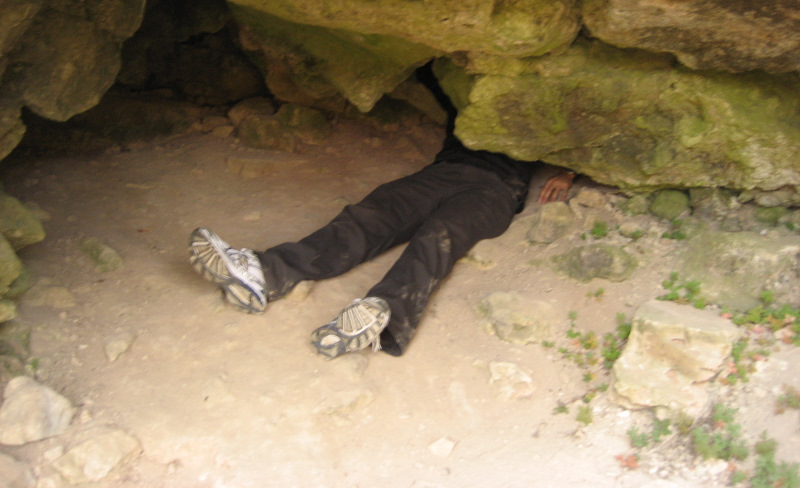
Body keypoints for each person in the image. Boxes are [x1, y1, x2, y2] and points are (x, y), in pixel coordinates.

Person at [188, 63, 575, 359]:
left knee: (438, 236)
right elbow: (435, 73)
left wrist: (569, 172)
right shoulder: (468, 100)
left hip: (495, 192)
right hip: (443, 172)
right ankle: (265, 274)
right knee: (372, 213)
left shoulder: (534, 117)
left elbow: (577, 135)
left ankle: (383, 316)